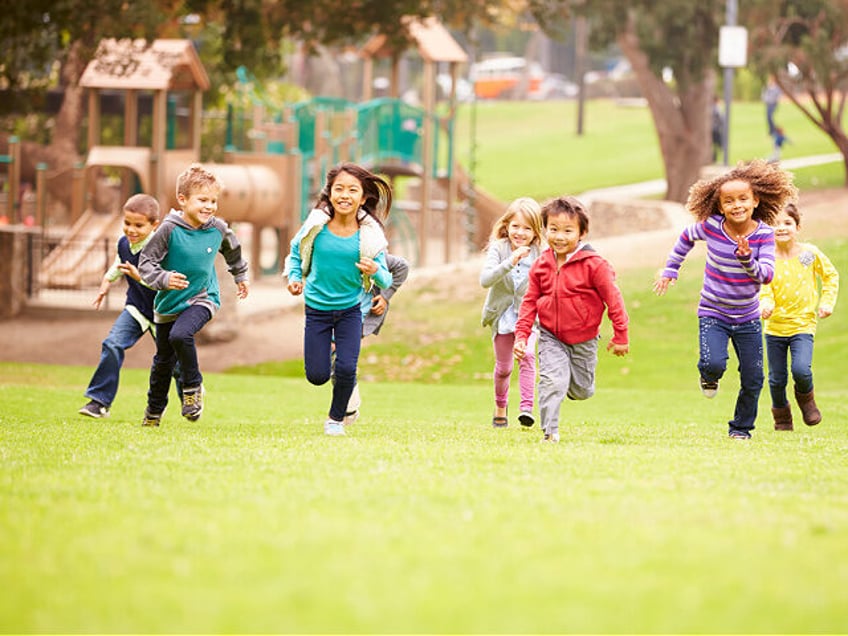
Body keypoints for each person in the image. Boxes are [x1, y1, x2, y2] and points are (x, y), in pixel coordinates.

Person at [654, 159, 797, 439]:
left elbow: (766, 275)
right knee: (713, 364)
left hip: (748, 318)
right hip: (713, 312)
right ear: (720, 207)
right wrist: (671, 269)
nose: (737, 205)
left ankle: (741, 429)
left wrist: (746, 260)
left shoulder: (764, 236)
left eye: (743, 199)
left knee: (754, 378)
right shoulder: (711, 227)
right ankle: (708, 376)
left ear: (755, 200)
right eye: (729, 201)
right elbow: (685, 237)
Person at [284, 162, 393, 437]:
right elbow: (296, 253)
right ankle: (337, 376)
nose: (345, 195)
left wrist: (375, 271)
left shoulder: (369, 236)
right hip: (317, 310)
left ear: (364, 196)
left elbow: (387, 281)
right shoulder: (315, 226)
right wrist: (295, 278)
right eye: (339, 189)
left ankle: (335, 419)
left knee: (346, 367)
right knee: (317, 375)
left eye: (352, 190)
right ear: (330, 193)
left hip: (350, 311)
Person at [138, 163, 250, 427]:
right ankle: (153, 412)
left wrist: (240, 276)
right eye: (202, 200)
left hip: (203, 297)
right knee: (163, 363)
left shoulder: (218, 228)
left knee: (181, 334)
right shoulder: (168, 229)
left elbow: (232, 249)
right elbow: (146, 263)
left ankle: (192, 388)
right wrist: (164, 279)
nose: (209, 206)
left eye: (213, 201)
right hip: (168, 304)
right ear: (183, 199)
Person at [513, 196, 629, 443]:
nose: (559, 237)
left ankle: (570, 386)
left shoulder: (595, 265)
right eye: (553, 229)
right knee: (552, 381)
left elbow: (614, 300)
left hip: (584, 339)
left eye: (568, 231)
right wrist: (522, 335)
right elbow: (529, 302)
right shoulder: (541, 265)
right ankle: (549, 432)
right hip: (550, 336)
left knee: (582, 390)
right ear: (544, 230)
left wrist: (621, 335)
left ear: (582, 233)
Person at [78, 193, 160, 418]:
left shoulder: (160, 247)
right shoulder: (124, 243)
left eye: (138, 225)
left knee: (174, 364)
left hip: (163, 313)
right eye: (127, 223)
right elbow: (119, 262)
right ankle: (99, 402)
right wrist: (106, 282)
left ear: (154, 225)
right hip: (136, 309)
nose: (131, 230)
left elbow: (166, 281)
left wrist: (140, 276)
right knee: (112, 344)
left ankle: (191, 397)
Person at [760, 202, 839, 430]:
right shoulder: (767, 260)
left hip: (802, 326)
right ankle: (782, 418)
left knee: (801, 370)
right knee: (776, 380)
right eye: (775, 224)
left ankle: (807, 401)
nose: (781, 227)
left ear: (798, 227)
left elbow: (830, 276)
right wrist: (765, 304)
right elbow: (763, 288)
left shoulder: (807, 255)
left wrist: (826, 302)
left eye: (787, 223)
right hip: (774, 328)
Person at [480, 197, 545, 428]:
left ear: (536, 232)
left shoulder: (540, 253)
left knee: (527, 355)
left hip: (529, 317)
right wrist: (511, 261)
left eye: (527, 228)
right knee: (504, 368)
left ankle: (526, 409)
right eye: (516, 226)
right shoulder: (499, 248)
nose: (520, 232)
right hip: (501, 316)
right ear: (506, 225)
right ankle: (500, 405)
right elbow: (485, 280)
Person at [342, 252, 410, 425]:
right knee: (328, 362)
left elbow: (402, 267)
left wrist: (385, 296)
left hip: (359, 312)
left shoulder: (366, 250)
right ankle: (349, 404)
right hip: (330, 308)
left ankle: (347, 408)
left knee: (340, 356)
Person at [711, 96, 725, 163]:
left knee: (713, 145)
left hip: (711, 129)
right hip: (715, 129)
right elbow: (720, 119)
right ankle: (723, 159)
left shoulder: (709, 107)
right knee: (720, 144)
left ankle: (714, 158)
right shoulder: (716, 108)